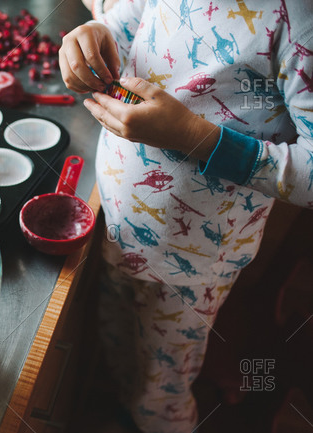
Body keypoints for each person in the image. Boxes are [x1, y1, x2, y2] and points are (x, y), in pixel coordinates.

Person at [59, 0, 313, 431]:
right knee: (117, 344)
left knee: (161, 393)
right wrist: (88, 42)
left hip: (194, 262)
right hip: (121, 228)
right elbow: (118, 32)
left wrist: (193, 137)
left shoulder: (298, 22)